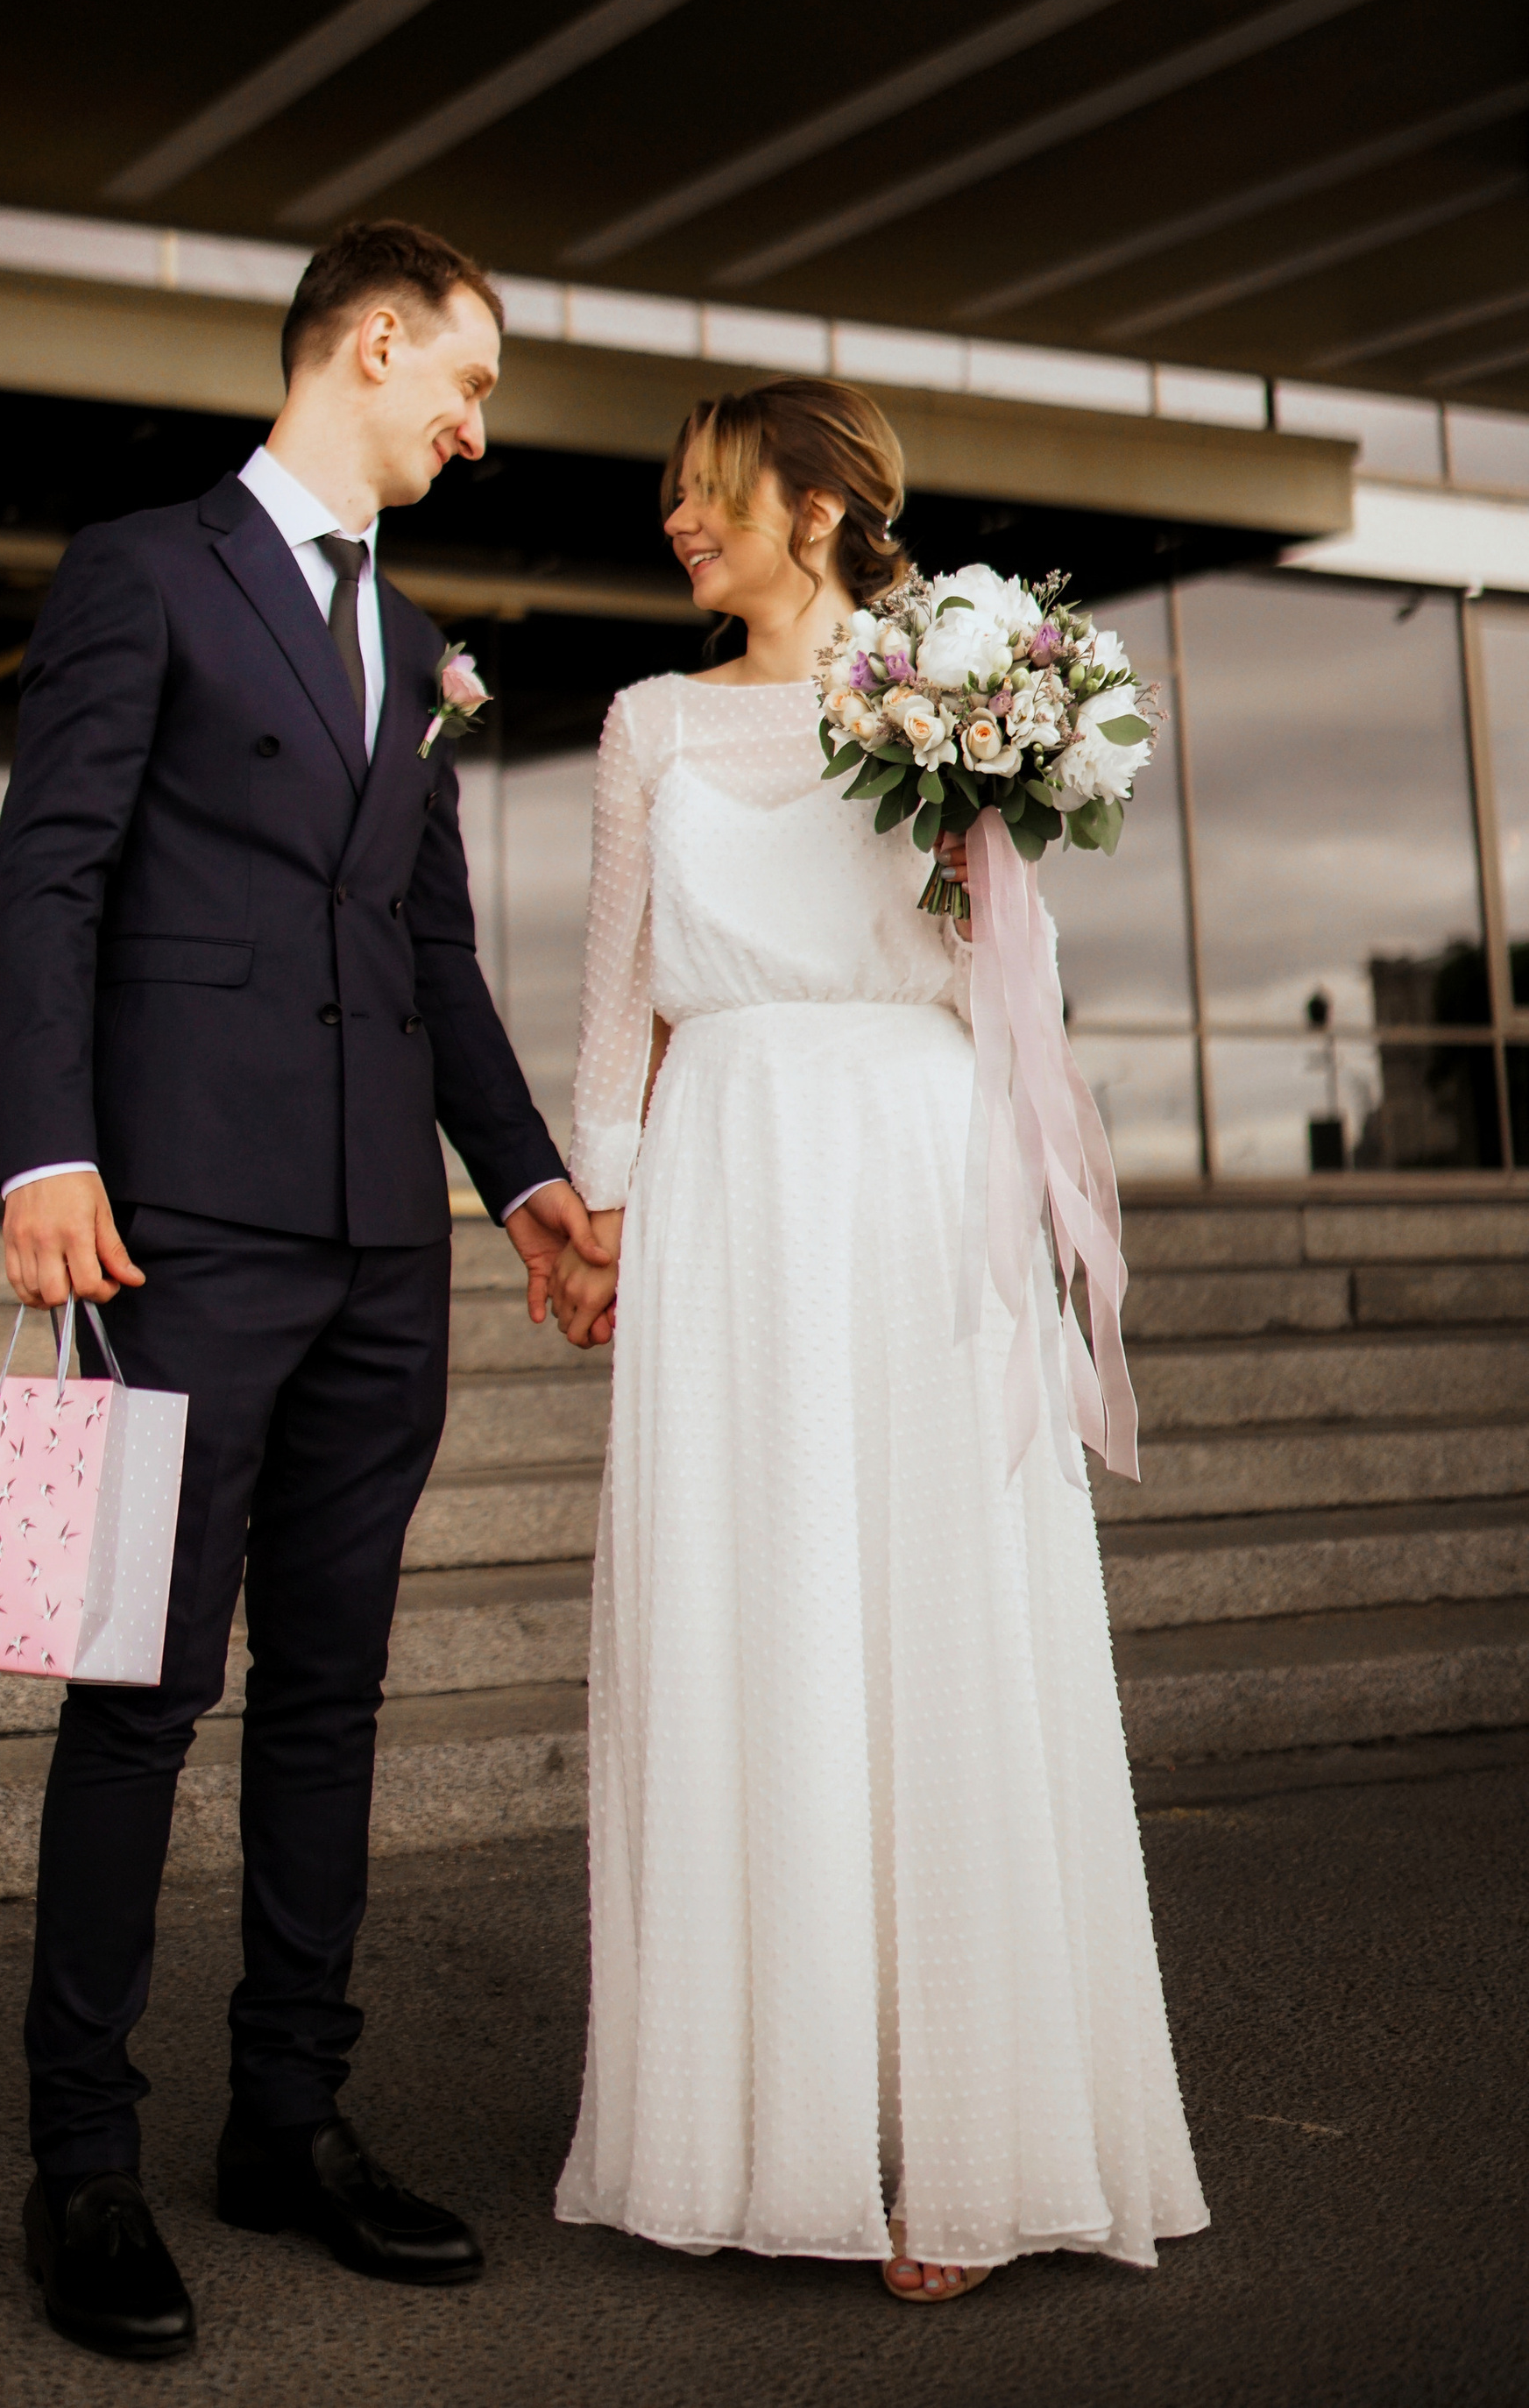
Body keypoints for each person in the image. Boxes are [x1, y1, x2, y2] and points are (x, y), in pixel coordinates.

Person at [0, 218, 607, 2362]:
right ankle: (81, 2160)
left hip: (378, 1250)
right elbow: (47, 867)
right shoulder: (141, 570)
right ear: (367, 341)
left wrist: (517, 1175)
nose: (474, 422)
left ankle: (288, 2116)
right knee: (133, 1685)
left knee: (329, 1690)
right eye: (467, 379)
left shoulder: (417, 632)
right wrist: (42, 1147)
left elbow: (428, 946)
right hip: (169, 1227)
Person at [542, 379, 1207, 2299]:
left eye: (712, 492)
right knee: (746, 1618)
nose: (682, 521)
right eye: (672, 497)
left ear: (818, 506)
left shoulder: (947, 689)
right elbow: (612, 1004)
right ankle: (756, 2118)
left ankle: (966, 2147)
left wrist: (987, 802)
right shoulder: (645, 723)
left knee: (925, 1626)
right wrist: (600, 1203)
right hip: (726, 1183)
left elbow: (1007, 969)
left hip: (908, 1176)